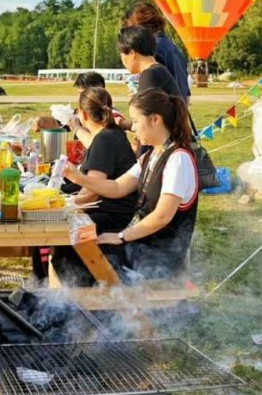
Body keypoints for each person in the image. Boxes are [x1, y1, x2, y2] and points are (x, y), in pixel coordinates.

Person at [63, 89, 198, 282]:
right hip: (142, 245)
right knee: (72, 249)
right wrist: (78, 178)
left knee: (76, 256)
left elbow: (162, 216)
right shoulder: (150, 156)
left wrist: (121, 236)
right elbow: (118, 187)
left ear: (155, 120)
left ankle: (92, 308)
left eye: (135, 121)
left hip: (160, 256)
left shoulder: (178, 159)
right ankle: (77, 308)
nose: (132, 128)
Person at [52, 87, 138, 286]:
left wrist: (65, 207)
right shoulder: (112, 134)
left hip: (111, 217)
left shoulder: (104, 139)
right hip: (118, 213)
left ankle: (73, 296)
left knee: (62, 239)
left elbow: (92, 190)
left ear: (82, 114)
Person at [123, 2, 191, 102]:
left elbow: (153, 93)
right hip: (178, 113)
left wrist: (140, 98)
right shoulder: (176, 49)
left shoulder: (153, 49)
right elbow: (187, 96)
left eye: (130, 30)